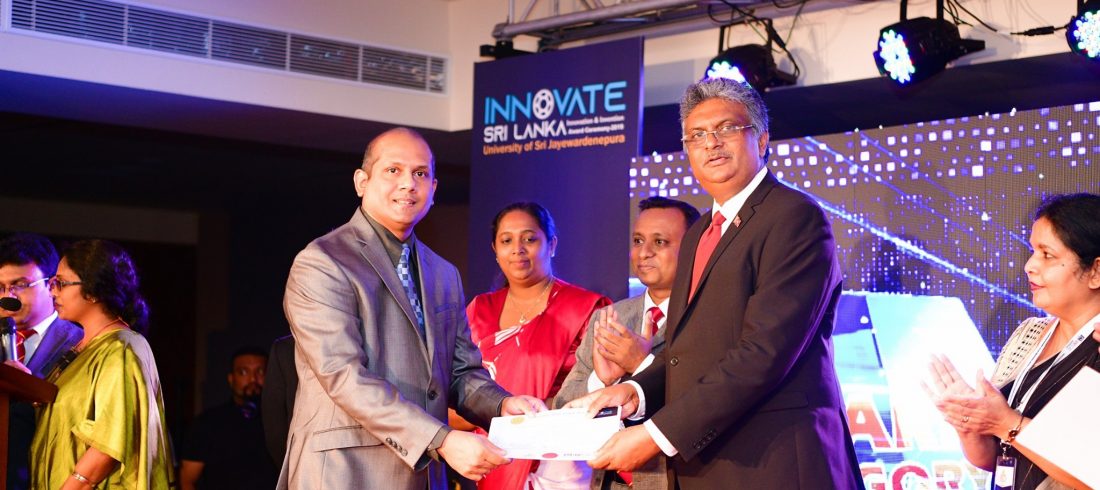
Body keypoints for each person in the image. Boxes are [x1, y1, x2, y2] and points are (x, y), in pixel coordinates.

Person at [568, 78, 863, 489]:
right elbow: (688, 349)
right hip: (708, 466)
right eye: (697, 135)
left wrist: (655, 435)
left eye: (727, 128)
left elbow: (764, 352)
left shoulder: (794, 217)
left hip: (776, 464)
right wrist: (636, 391)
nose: (711, 143)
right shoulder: (699, 233)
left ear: (761, 139)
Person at [278, 127, 545, 490]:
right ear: (361, 182)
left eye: (420, 173)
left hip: (423, 475)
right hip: (346, 473)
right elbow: (344, 376)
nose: (408, 184)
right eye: (393, 170)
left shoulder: (443, 273)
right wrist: (442, 440)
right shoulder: (323, 262)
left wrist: (502, 405)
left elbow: (460, 371)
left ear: (433, 189)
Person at [925, 193, 1100, 490]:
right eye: (1032, 251)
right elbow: (996, 458)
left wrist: (1007, 423)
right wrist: (971, 424)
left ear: (1095, 271)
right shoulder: (1028, 335)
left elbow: (1092, 471)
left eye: (1047, 255)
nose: (1030, 265)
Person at [458, 201, 611, 490]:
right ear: (495, 250)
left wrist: (544, 410)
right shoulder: (478, 310)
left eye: (529, 239)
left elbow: (603, 387)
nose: (517, 249)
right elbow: (458, 382)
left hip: (562, 463)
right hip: (494, 456)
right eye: (506, 241)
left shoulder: (585, 308)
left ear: (551, 244)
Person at [553, 196, 698, 490]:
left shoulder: (706, 316)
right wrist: (601, 381)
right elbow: (563, 405)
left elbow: (705, 401)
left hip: (684, 479)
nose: (644, 253)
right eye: (638, 241)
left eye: (659, 242)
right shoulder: (609, 317)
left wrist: (641, 365)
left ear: (693, 248)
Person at [30, 239, 174, 489]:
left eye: (61, 283)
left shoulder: (121, 348)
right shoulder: (80, 346)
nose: (53, 291)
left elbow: (107, 444)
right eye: (53, 283)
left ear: (94, 290)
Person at [0, 233, 83, 490]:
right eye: (1, 287)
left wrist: (27, 387)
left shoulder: (80, 342)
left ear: (51, 285)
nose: (8, 296)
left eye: (20, 285)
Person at [180, 346, 277, 489]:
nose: (253, 379)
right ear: (231, 379)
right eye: (243, 372)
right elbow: (187, 481)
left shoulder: (283, 422)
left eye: (261, 372)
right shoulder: (207, 424)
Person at [262, 335, 296, 464]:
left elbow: (274, 426)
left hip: (302, 457)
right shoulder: (286, 348)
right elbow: (274, 425)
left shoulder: (286, 347)